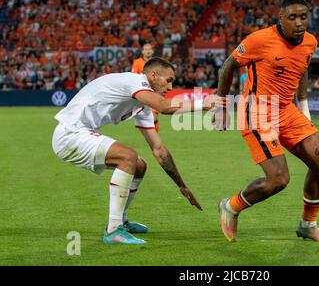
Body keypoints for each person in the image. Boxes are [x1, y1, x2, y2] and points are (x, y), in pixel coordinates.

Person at [52, 57, 218, 244]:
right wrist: (205, 103)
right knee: (128, 157)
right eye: (169, 80)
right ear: (153, 75)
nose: (170, 88)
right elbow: (164, 107)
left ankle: (121, 220)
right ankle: (113, 230)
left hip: (79, 134)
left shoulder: (142, 105)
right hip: (69, 134)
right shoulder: (134, 81)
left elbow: (159, 149)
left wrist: (181, 185)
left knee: (139, 166)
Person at [214, 0, 319, 242]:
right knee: (278, 179)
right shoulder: (259, 40)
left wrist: (303, 105)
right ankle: (230, 206)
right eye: (293, 17)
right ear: (281, 18)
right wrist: (220, 105)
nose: (299, 23)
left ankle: (308, 225)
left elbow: (302, 67)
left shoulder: (310, 42)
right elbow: (228, 66)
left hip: (287, 110)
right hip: (258, 111)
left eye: (303, 16)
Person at [131, 43, 161, 131]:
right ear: (142, 51)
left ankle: (155, 139)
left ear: (152, 51)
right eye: (146, 49)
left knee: (154, 117)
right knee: (145, 117)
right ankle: (153, 140)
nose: (148, 51)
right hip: (142, 92)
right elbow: (133, 76)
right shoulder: (137, 62)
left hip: (154, 92)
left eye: (149, 49)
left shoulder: (157, 63)